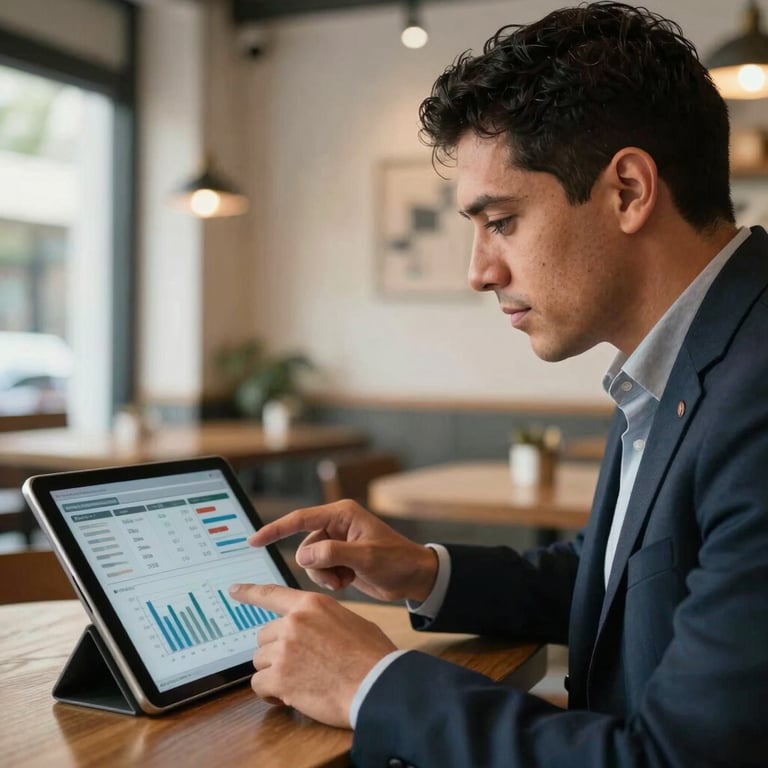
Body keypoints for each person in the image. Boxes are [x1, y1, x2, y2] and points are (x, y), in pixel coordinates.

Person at [228, 2, 768, 765]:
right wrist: (424, 569)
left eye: (501, 221)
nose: (479, 271)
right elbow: (623, 577)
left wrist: (369, 682)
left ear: (627, 191)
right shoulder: (690, 349)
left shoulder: (755, 389)